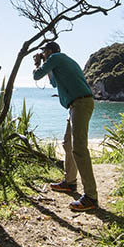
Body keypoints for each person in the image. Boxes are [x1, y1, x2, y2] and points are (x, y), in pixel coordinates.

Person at [32, 41, 98, 212]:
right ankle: (70, 182)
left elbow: (36, 75)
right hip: (76, 105)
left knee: (79, 149)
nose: (43, 54)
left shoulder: (55, 57)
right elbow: (54, 83)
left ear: (51, 51)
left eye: (44, 51)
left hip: (80, 104)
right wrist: (47, 66)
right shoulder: (60, 61)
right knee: (67, 144)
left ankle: (91, 196)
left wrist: (38, 64)